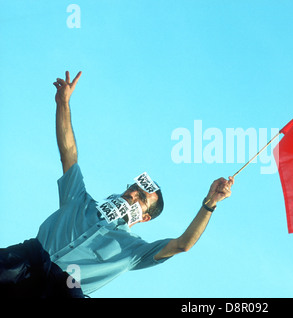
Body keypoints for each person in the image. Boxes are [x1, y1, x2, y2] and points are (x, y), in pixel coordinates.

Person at [33, 71, 234, 296]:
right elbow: (68, 152)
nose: (133, 194)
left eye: (142, 196)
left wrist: (210, 203)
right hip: (27, 262)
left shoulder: (134, 249)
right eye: (134, 188)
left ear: (145, 217)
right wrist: (63, 103)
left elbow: (182, 244)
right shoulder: (79, 199)